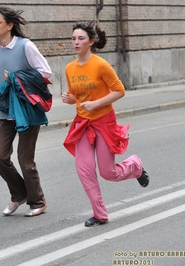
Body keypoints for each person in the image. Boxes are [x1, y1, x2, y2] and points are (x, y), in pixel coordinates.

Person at [61, 20, 149, 227]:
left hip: (103, 122)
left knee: (108, 173)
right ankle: (100, 214)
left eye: (80, 38)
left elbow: (119, 90)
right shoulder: (69, 68)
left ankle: (135, 165)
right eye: (73, 38)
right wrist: (69, 99)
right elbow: (77, 96)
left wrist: (96, 104)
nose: (76, 42)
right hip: (82, 123)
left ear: (90, 42)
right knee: (84, 169)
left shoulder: (100, 65)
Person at [0, 6, 52, 217]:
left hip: (26, 110)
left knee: (25, 160)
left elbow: (45, 72)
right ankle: (19, 194)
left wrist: (16, 78)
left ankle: (38, 201)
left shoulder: (25, 46)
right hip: (5, 110)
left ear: (10, 25)